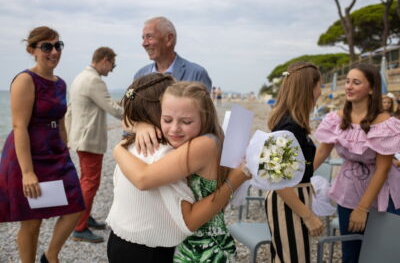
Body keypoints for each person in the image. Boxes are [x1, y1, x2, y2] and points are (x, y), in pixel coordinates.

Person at [110, 80, 248, 263]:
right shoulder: (189, 143)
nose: (174, 128)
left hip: (202, 248)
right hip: (193, 245)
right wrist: (139, 127)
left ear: (203, 118)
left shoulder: (201, 145)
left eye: (186, 121)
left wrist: (118, 148)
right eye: (167, 119)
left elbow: (144, 179)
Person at [0, 26, 85, 263]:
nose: (54, 51)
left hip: (55, 153)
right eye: (47, 47)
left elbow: (60, 120)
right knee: (32, 220)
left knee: (76, 205)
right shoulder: (25, 80)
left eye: (58, 45)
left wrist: (65, 149)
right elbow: (19, 127)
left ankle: (50, 256)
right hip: (28, 155)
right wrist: (27, 172)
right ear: (32, 50)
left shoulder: (60, 83)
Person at [314, 63, 400, 263]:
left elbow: (383, 169)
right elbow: (322, 153)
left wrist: (362, 209)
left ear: (371, 89)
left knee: (381, 254)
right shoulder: (335, 119)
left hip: (381, 195)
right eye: (347, 81)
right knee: (350, 253)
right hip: (347, 190)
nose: (349, 86)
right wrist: (297, 177)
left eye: (356, 82)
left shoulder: (385, 123)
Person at [264, 62, 324, 263]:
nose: (321, 91)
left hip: (294, 197)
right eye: (319, 86)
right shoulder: (289, 126)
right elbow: (276, 179)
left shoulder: (292, 123)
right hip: (289, 199)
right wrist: (308, 216)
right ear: (309, 88)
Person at [65, 47, 123, 243]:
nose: (112, 69)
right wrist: (137, 111)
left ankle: (84, 216)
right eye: (112, 65)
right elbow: (113, 109)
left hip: (81, 138)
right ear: (105, 60)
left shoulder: (81, 77)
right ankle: (79, 227)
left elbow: (71, 110)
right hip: (89, 140)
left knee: (86, 181)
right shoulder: (94, 80)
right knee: (90, 183)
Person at [134, 16, 212, 91]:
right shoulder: (139, 75)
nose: (144, 43)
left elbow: (204, 104)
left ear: (169, 39)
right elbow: (129, 97)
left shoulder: (197, 75)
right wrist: (129, 96)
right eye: (143, 38)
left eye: (150, 37)